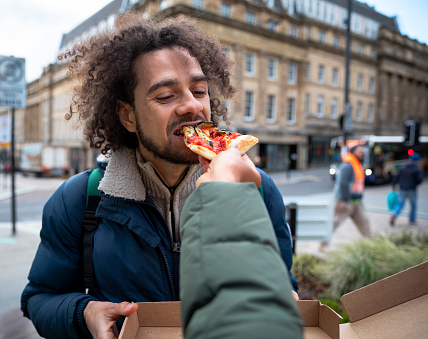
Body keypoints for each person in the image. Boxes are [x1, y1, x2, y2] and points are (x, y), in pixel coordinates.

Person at [21, 13, 297, 339]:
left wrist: (287, 297)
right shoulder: (79, 199)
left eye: (200, 90)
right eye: (166, 96)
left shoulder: (256, 190)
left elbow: (283, 288)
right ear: (127, 116)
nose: (191, 106)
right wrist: (86, 312)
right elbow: (39, 298)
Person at [181, 149, 303, 338]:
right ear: (126, 118)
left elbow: (281, 267)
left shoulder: (259, 185)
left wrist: (283, 290)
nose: (187, 116)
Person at [321, 145, 372, 250]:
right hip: (344, 202)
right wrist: (345, 200)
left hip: (356, 201)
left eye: (362, 151)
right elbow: (343, 183)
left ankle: (372, 245)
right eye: (359, 151)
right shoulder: (348, 166)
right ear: (353, 152)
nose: (362, 153)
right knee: (334, 223)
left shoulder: (356, 165)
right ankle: (322, 245)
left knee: (364, 223)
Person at [390, 152, 424, 226]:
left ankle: (394, 214)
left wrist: (394, 186)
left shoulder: (403, 168)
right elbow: (420, 180)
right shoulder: (417, 169)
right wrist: (415, 184)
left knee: (400, 204)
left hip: (402, 189)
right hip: (412, 189)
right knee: (413, 205)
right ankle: (412, 220)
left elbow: (396, 177)